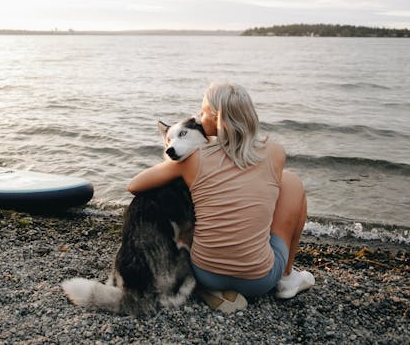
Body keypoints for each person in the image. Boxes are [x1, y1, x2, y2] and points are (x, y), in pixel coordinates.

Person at [128, 82, 314, 310]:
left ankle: (218, 283)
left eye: (204, 111)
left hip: (206, 273)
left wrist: (176, 167)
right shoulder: (274, 152)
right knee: (291, 182)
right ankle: (286, 278)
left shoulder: (193, 159)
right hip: (258, 280)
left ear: (218, 119)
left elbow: (134, 185)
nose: (198, 116)